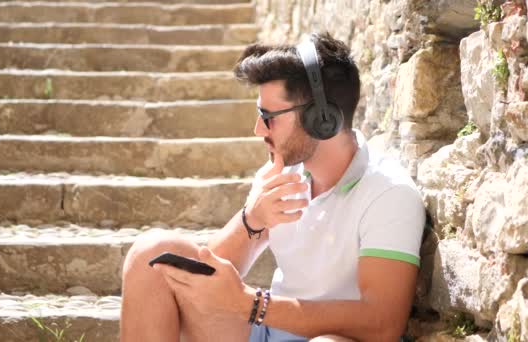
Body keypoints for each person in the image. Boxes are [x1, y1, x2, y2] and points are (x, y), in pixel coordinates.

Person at [120, 32, 425, 342]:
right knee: (151, 253)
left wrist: (251, 305)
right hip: (262, 330)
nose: (257, 129)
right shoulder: (280, 172)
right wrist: (252, 220)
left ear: (321, 119)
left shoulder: (389, 194)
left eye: (268, 117)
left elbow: (383, 324)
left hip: (322, 335)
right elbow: (207, 279)